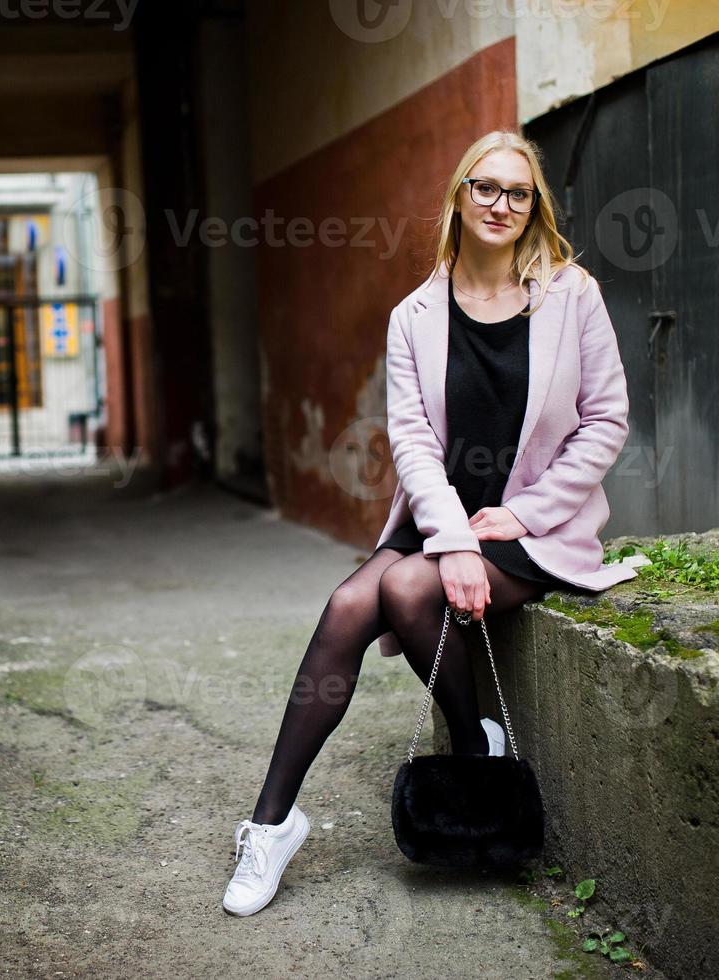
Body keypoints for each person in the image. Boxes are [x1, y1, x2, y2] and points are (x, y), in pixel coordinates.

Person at [222, 130, 639, 917]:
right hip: (443, 519)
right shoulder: (412, 315)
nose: (500, 205)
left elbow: (605, 420)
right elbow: (412, 442)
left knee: (408, 590)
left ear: (534, 208)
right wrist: (450, 537)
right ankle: (271, 824)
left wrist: (519, 513)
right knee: (351, 603)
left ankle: (470, 738)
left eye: (518, 193)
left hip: (532, 528)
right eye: (485, 187)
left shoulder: (570, 294)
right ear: (457, 195)